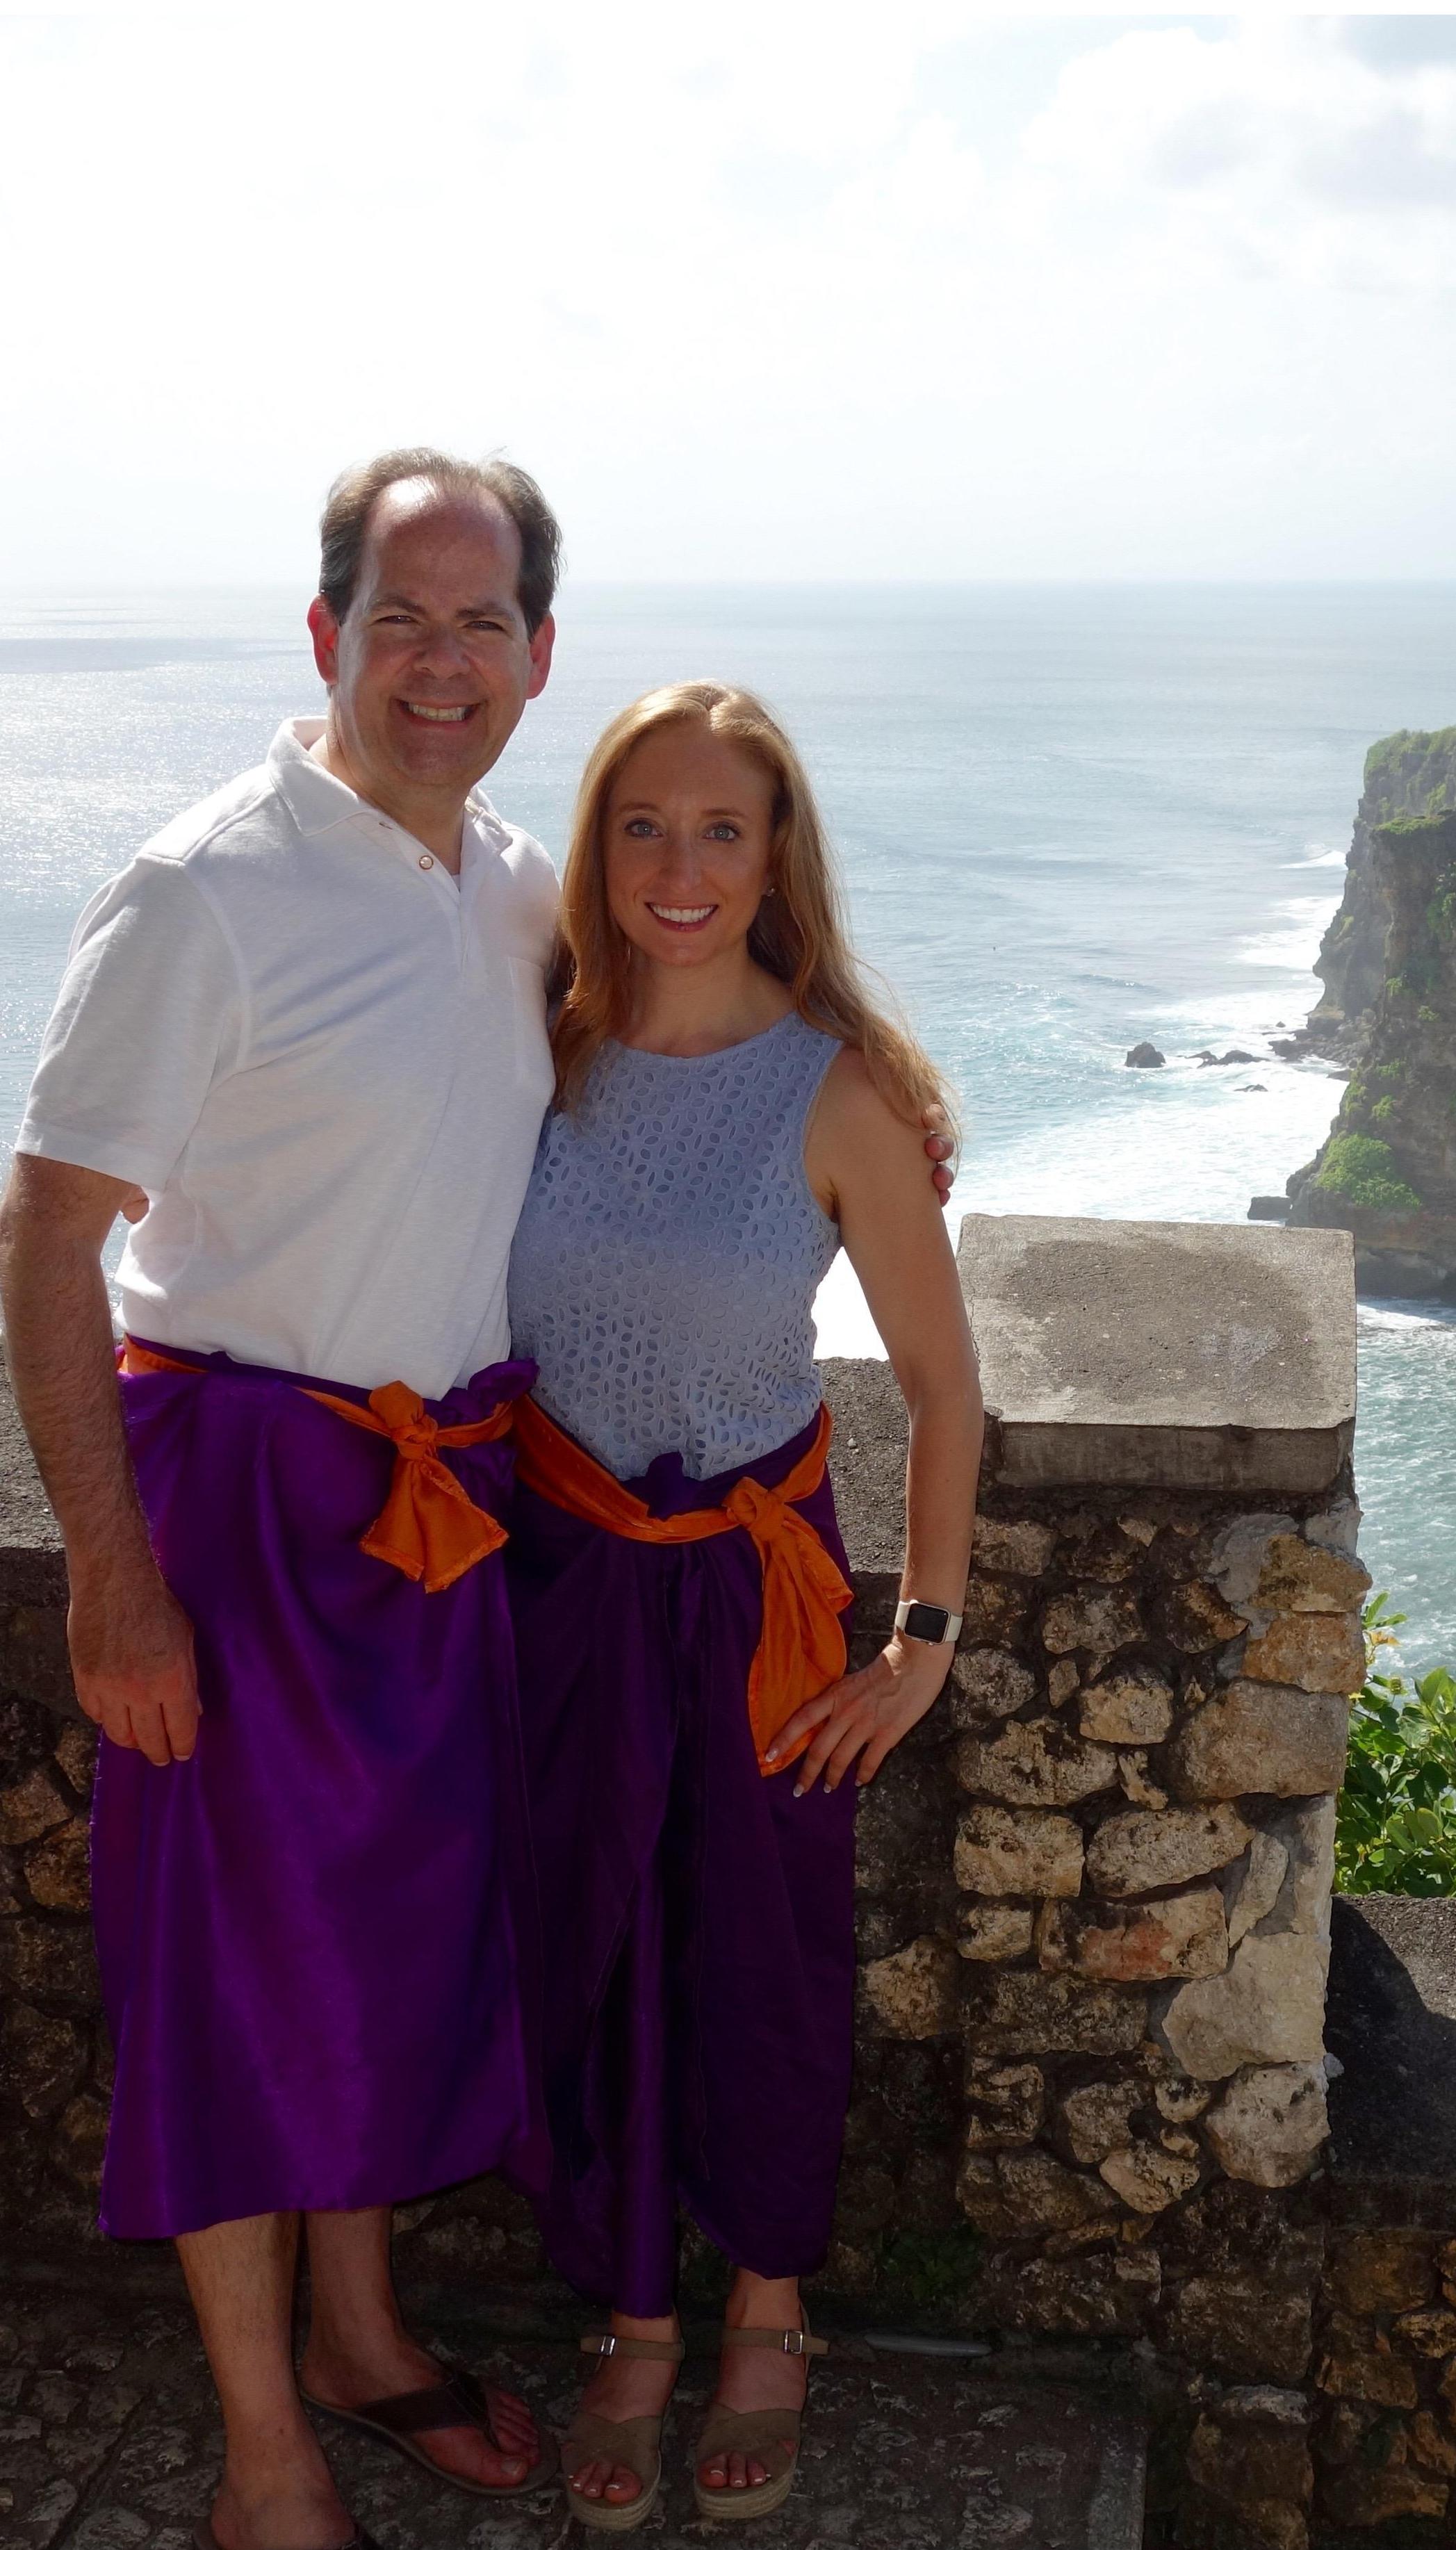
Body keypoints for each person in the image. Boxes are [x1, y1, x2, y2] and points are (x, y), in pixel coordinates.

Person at [0, 451, 963, 2550]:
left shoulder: (523, 887)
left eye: (484, 623)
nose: (442, 662)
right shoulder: (200, 888)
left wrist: (868, 1111)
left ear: (542, 656)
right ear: (327, 631)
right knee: (230, 1978)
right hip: (245, 1493)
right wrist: (112, 1579)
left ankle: (365, 2336)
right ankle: (268, 2460)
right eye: (402, 617)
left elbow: (687, 1055)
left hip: (453, 1512)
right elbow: (49, 1229)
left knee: (384, 1954)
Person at [498, 682, 981, 2529]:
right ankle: (633, 2315)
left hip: (754, 1596)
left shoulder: (835, 1091)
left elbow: (945, 1387)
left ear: (777, 854)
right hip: (557, 1582)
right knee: (588, 1946)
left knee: (764, 1960)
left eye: (721, 828)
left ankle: (767, 2307)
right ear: (597, 850)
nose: (679, 866)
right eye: (642, 826)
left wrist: (922, 1644)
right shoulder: (537, 1049)